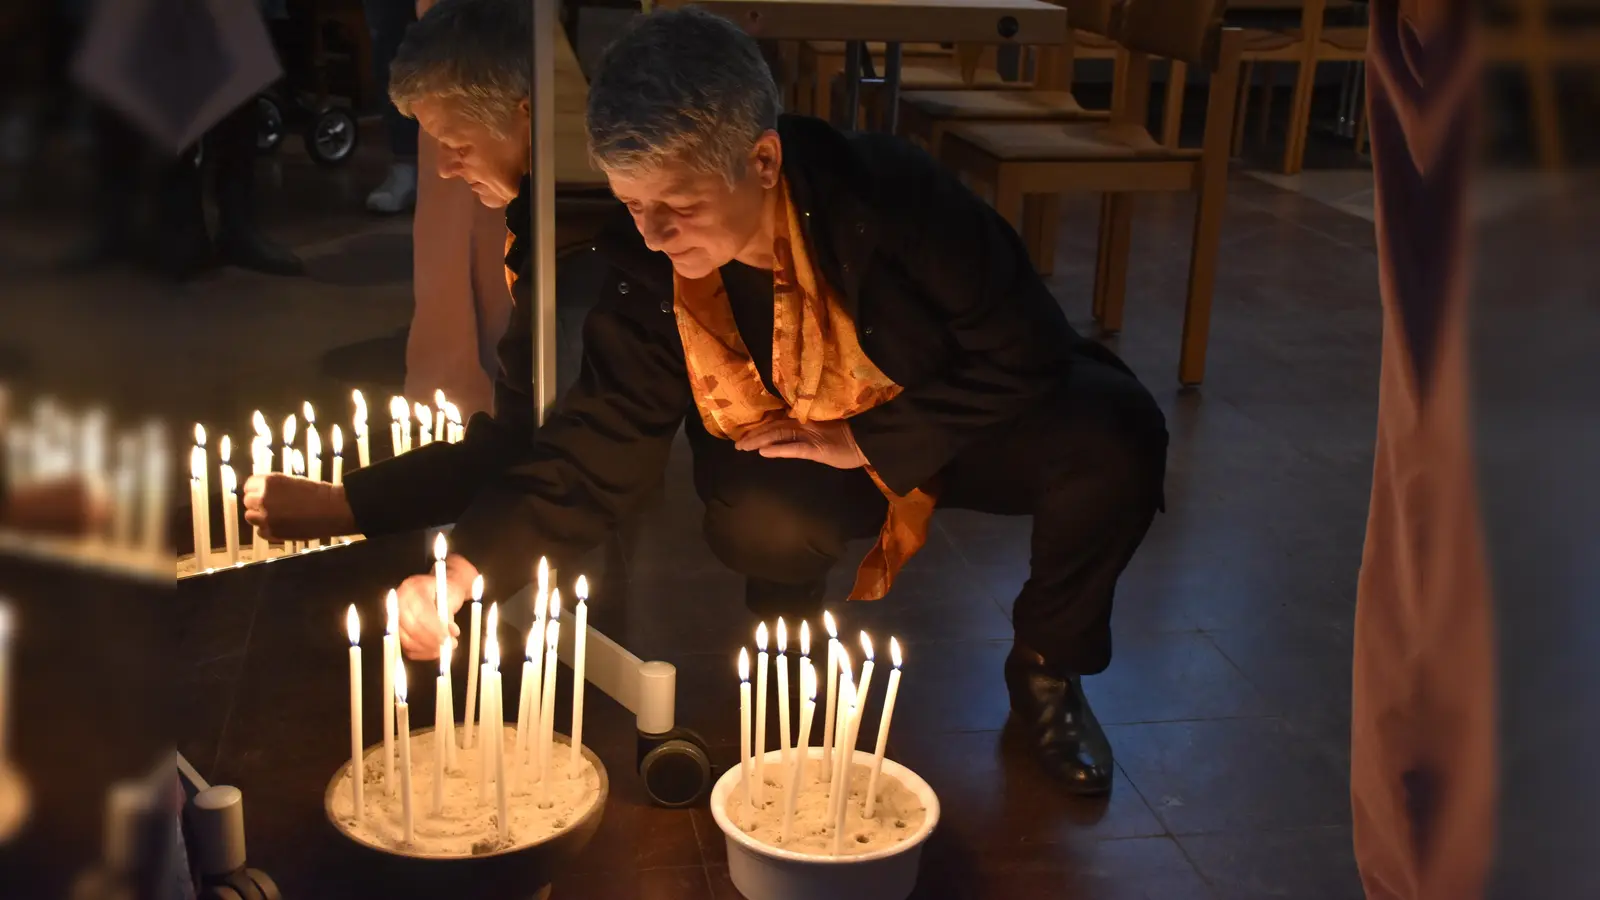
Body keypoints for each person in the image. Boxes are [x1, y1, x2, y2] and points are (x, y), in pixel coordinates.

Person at [244, 0, 1167, 794]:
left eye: (675, 205)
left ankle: (1048, 668)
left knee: (1115, 432)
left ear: (762, 162)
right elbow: (599, 441)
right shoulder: (650, 269)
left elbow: (1028, 352)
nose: (650, 233)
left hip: (952, 418)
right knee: (758, 508)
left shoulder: (890, 198)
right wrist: (467, 569)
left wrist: (874, 440)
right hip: (804, 456)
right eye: (631, 204)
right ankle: (788, 629)